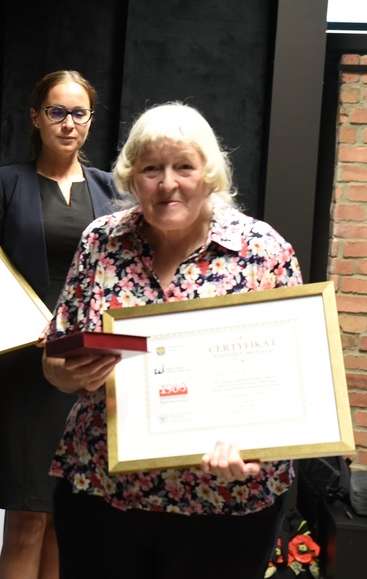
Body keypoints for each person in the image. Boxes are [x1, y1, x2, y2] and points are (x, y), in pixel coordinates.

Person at [41, 101, 302, 578]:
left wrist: (253, 445)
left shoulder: (262, 252)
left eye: (184, 166)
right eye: (151, 169)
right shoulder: (101, 242)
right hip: (104, 493)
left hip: (223, 502)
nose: (167, 184)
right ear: (130, 177)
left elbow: (294, 379)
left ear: (210, 173)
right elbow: (55, 356)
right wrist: (66, 371)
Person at [0, 70, 120, 579]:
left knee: (68, 517)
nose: (67, 123)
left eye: (78, 113)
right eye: (56, 112)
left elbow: (122, 275)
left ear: (90, 120)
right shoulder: (5, 183)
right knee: (28, 518)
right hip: (24, 369)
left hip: (88, 368)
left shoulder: (111, 188)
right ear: (36, 118)